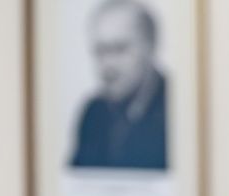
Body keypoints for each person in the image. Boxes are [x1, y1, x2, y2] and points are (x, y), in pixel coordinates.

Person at [71, 0, 168, 170]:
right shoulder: (93, 112)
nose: (108, 64)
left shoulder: (176, 107)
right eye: (100, 51)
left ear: (150, 47)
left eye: (119, 49)